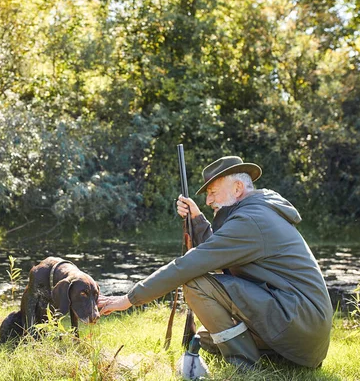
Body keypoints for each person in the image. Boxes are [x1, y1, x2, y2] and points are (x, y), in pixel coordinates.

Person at [98, 156, 332, 369]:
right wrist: (197, 220)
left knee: (195, 283)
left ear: (237, 188)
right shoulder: (257, 211)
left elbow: (190, 264)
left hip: (298, 323)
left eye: (213, 192)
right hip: (303, 327)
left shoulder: (250, 220)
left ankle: (244, 366)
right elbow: (220, 256)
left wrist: (129, 299)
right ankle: (284, 358)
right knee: (207, 339)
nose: (209, 200)